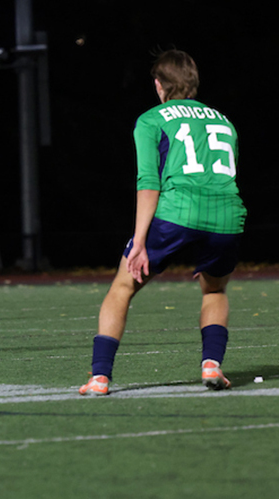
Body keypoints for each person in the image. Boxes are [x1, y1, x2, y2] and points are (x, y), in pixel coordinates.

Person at [79, 49, 246, 396]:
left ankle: (100, 377)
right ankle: (212, 364)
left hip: (176, 213)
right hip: (227, 216)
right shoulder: (223, 120)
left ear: (159, 85)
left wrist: (139, 241)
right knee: (214, 289)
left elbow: (148, 183)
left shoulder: (152, 119)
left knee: (121, 288)